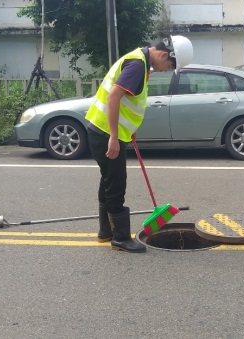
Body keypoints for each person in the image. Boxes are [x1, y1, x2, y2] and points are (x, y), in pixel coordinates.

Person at [85, 35, 193, 253]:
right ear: (163, 55)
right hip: (106, 132)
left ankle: (105, 231)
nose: (167, 70)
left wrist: (129, 130)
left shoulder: (140, 62)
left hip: (101, 129)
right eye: (169, 66)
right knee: (116, 184)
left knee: (108, 180)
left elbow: (127, 102)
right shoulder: (137, 65)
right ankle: (120, 238)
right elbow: (113, 98)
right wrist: (114, 137)